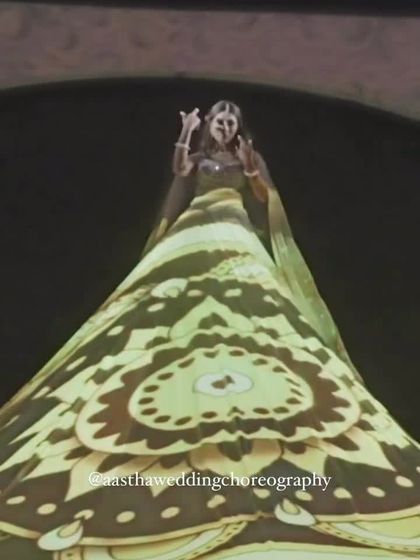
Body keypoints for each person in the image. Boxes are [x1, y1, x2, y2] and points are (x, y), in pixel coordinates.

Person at [0, 100, 418, 559]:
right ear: (211, 125)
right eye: (219, 119)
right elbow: (179, 177)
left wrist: (253, 172)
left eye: (230, 120)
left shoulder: (248, 157)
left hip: (236, 232)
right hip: (194, 230)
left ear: (238, 126)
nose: (225, 125)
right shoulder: (197, 158)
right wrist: (185, 134)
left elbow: (264, 198)